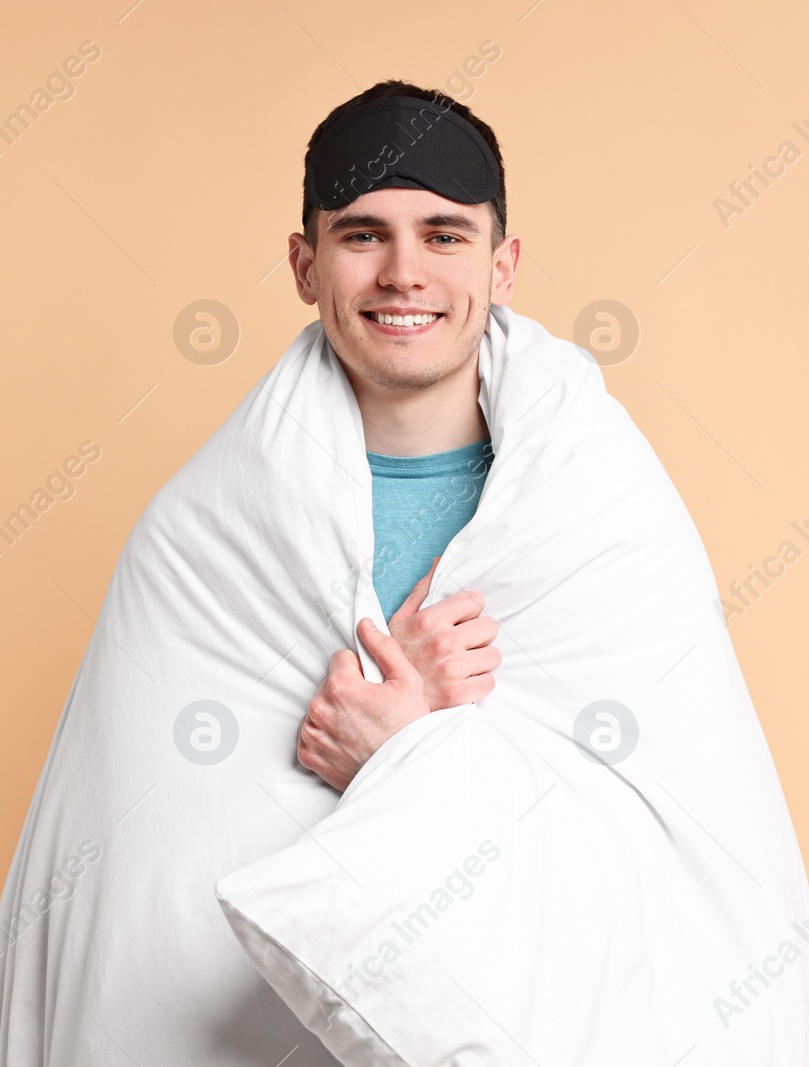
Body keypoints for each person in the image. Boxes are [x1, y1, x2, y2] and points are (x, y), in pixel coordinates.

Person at [288, 80, 514, 795]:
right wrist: (405, 695)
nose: (403, 275)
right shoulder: (205, 525)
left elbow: (642, 800)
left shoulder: (601, 504)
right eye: (363, 235)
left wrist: (393, 742)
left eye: (444, 236)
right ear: (304, 266)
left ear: (501, 268)